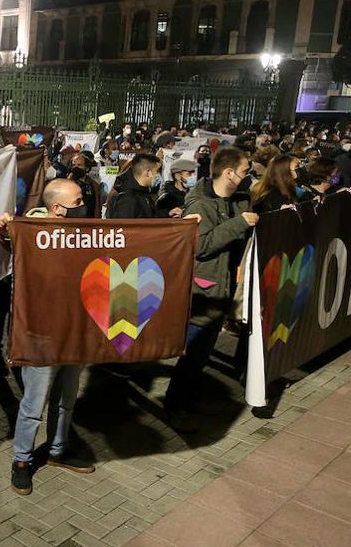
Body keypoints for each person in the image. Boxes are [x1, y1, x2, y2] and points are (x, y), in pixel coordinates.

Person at [0, 179, 97, 495]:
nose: (84, 204)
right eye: (78, 200)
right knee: (34, 402)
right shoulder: (30, 231)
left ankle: (57, 450)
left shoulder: (84, 231)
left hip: (75, 329)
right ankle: (22, 461)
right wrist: (4, 230)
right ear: (56, 208)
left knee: (66, 397)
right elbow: (8, 244)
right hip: (42, 334)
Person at [168, 146, 259, 431]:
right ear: (230, 173)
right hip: (204, 291)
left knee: (203, 353)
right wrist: (237, 224)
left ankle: (189, 400)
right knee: (192, 354)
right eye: (245, 171)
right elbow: (201, 246)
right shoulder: (201, 206)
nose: (249, 176)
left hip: (224, 287)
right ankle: (174, 407)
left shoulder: (239, 200)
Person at [105, 153, 162, 218]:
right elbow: (125, 226)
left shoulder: (143, 193)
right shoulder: (128, 199)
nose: (159, 175)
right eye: (157, 171)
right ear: (148, 172)